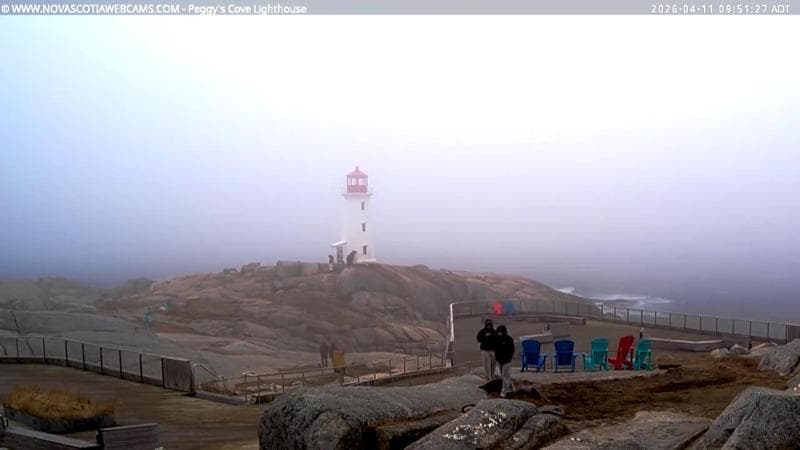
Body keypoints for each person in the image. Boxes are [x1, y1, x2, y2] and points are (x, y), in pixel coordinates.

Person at [494, 325, 515, 397]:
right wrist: (497, 358)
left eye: (500, 332)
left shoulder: (509, 339)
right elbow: (496, 350)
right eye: (498, 332)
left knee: (505, 375)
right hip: (500, 361)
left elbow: (512, 350)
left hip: (507, 361)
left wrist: (508, 358)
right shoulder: (497, 339)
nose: (499, 333)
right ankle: (511, 387)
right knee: (505, 376)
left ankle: (504, 391)